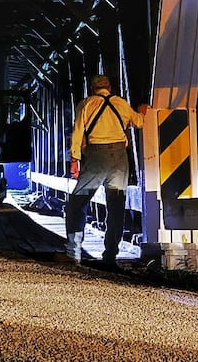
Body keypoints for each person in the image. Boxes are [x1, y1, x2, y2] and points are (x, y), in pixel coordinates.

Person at [64, 74, 149, 268]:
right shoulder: (120, 103)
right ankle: (110, 254)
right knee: (116, 207)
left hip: (96, 159)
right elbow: (139, 122)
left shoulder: (86, 104)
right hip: (119, 159)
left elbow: (77, 132)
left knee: (78, 203)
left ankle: (74, 251)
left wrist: (74, 160)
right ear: (109, 87)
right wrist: (143, 112)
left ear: (92, 89)